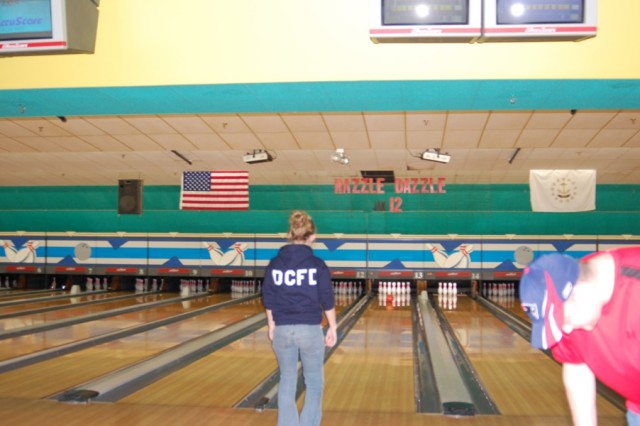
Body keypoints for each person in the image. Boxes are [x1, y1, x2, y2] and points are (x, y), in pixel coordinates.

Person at [519, 247, 640, 426]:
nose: (566, 330)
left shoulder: (634, 284)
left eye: (565, 319)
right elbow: (577, 368)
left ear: (580, 292)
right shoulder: (570, 289)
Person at [262, 210, 337, 426]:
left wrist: (271, 325)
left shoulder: (275, 264)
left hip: (283, 329)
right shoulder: (317, 265)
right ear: (312, 236)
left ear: (289, 233)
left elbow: (269, 297)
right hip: (310, 330)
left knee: (287, 380)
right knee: (314, 382)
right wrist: (332, 326)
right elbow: (327, 299)